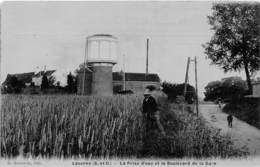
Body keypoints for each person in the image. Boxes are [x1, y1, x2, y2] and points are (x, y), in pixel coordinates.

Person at [140, 85, 166, 157]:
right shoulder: (144, 100)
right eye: (145, 95)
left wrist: (147, 113)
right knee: (148, 122)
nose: (146, 96)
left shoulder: (152, 99)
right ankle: (149, 133)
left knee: (157, 122)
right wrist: (143, 112)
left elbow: (152, 108)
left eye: (147, 95)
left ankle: (163, 133)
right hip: (150, 113)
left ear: (149, 95)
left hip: (155, 112)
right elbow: (144, 108)